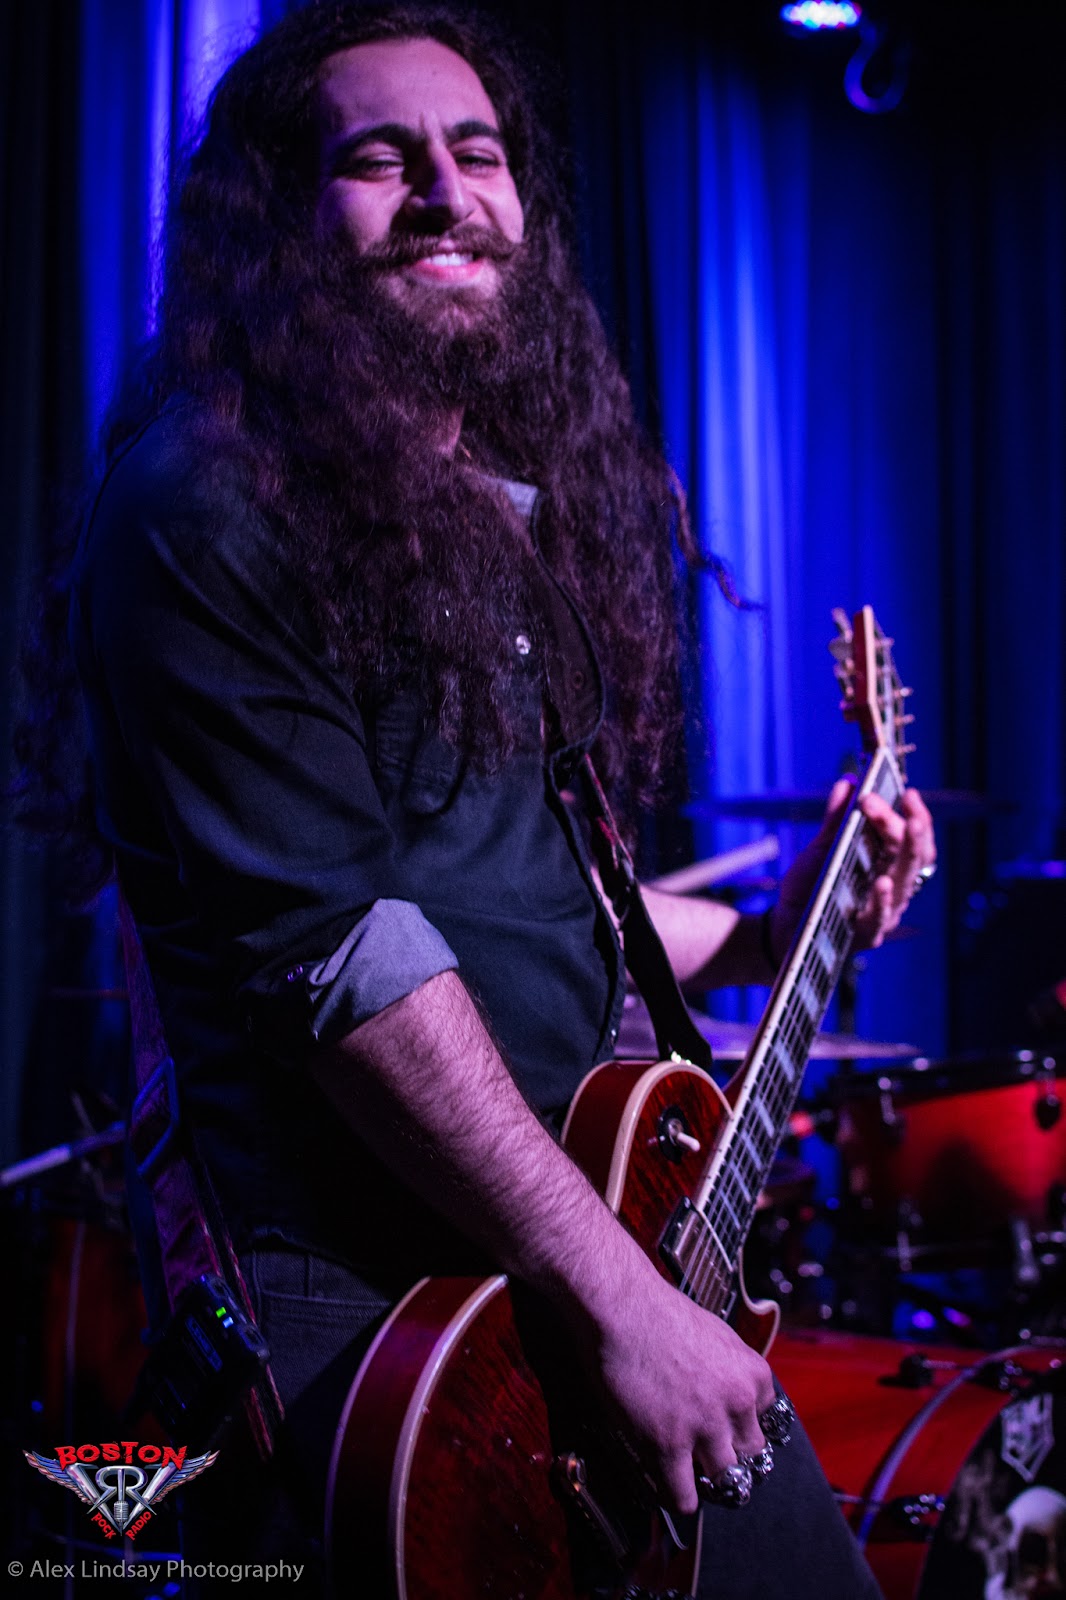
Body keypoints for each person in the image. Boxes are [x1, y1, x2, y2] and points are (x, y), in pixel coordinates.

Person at [66, 4, 936, 1595]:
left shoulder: (482, 513)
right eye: (377, 159)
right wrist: (618, 1298)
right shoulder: (208, 500)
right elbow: (344, 960)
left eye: (476, 153)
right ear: (275, 217)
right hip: (388, 1313)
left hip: (585, 1260)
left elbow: (529, 910)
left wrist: (780, 919)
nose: (443, 192)